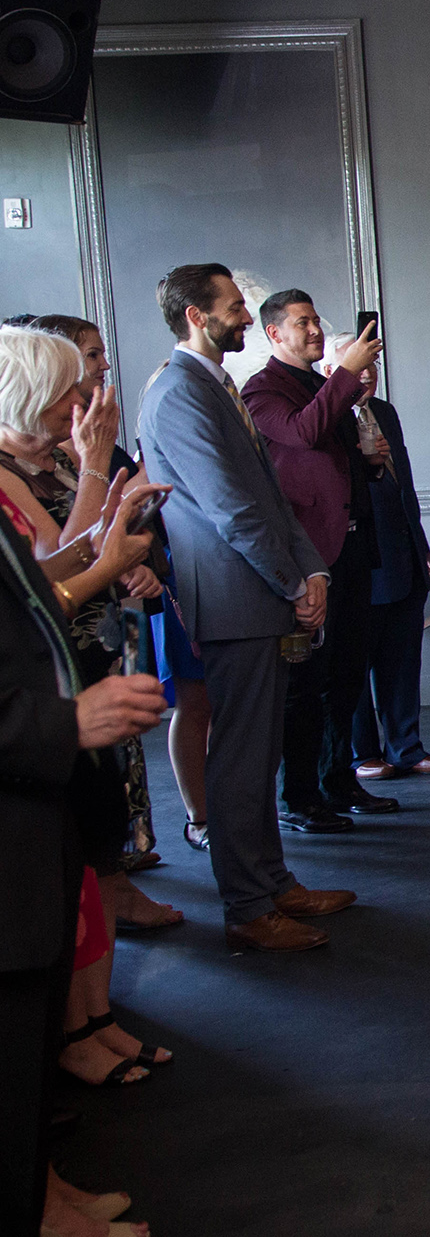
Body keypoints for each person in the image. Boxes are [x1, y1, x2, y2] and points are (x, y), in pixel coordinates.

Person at [137, 265, 357, 952]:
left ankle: (272, 883)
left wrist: (311, 569)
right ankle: (248, 907)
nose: (244, 316)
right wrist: (294, 583)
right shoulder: (178, 391)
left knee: (259, 755)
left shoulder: (217, 384)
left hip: (260, 590)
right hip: (235, 597)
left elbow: (269, 495)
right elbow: (231, 508)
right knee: (239, 759)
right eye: (234, 306)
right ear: (196, 316)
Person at [1, 502, 166, 1237]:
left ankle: (41, 1198)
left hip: (33, 799)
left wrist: (101, 553)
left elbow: (29, 604)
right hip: (22, 776)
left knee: (28, 1043)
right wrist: (66, 722)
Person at [240, 292, 393, 830]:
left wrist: (369, 463)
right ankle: (299, 797)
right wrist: (346, 373)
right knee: (306, 683)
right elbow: (303, 433)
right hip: (306, 557)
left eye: (315, 321)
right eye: (301, 322)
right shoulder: (261, 390)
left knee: (348, 673)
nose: (314, 330)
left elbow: (335, 461)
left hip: (351, 547)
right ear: (274, 333)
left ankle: (338, 780)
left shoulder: (321, 386)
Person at [21, 315, 165, 878]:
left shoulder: (60, 456)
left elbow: (93, 540)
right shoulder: (12, 470)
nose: (82, 396)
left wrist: (126, 555)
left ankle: (119, 879)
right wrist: (98, 466)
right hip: (58, 644)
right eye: (69, 387)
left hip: (97, 625)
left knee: (112, 782)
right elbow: (62, 556)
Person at [318, 334, 430, 780]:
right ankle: (363, 754)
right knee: (354, 663)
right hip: (358, 559)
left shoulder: (385, 412)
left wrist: (420, 544)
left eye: (371, 366)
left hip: (403, 555)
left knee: (403, 660)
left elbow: (403, 486)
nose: (367, 375)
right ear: (330, 373)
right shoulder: (326, 420)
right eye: (356, 367)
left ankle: (406, 749)